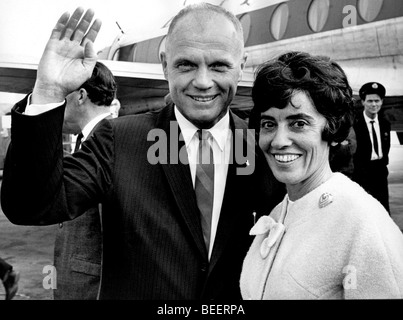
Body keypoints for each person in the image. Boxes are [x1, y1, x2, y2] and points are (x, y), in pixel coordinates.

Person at [1, 4, 283, 299]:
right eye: (186, 64)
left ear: (241, 65)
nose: (202, 81)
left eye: (219, 66)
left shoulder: (264, 150)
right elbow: (30, 205)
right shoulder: (118, 140)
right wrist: (48, 90)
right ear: (165, 64)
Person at [241, 51, 403, 299]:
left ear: (332, 130)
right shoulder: (279, 212)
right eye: (269, 124)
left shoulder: (362, 224)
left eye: (299, 123)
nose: (279, 141)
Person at [54, 61, 116, 300]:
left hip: (93, 288)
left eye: (63, 95)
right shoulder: (91, 139)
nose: (60, 103)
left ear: (80, 96)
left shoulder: (109, 140)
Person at [353, 82, 391, 213]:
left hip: (380, 172)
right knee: (364, 211)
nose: (374, 104)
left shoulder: (385, 123)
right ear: (363, 102)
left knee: (383, 209)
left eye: (377, 100)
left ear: (382, 101)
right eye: (370, 101)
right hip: (362, 173)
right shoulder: (355, 124)